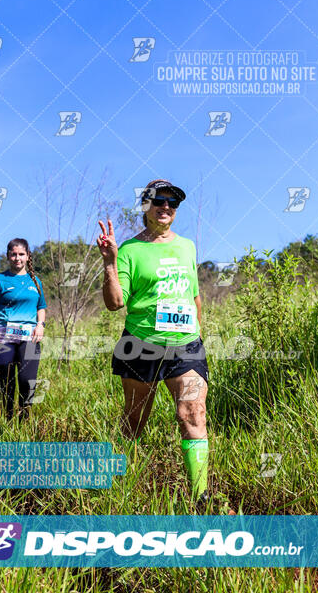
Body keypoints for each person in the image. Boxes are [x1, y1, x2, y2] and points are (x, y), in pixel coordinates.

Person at [97, 179, 220, 512]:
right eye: (159, 200)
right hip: (141, 346)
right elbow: (114, 302)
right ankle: (123, 486)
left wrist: (196, 331)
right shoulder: (130, 250)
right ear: (145, 206)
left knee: (192, 412)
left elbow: (194, 294)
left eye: (173, 202)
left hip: (185, 347)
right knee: (135, 422)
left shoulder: (187, 246)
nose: (166, 206)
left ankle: (200, 497)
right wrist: (110, 262)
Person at [0, 238, 47, 421]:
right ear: (8, 256)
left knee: (28, 382)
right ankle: (9, 420)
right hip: (2, 337)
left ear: (28, 256)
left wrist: (40, 325)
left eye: (21, 254)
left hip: (29, 338)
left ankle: (24, 419)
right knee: (7, 385)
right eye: (13, 254)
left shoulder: (35, 281)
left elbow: (41, 307)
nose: (17, 258)